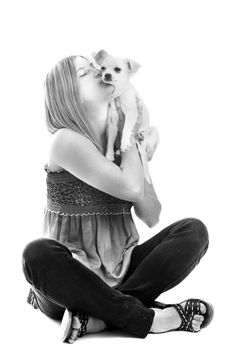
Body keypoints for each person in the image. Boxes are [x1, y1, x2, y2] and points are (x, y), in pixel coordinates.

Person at [22, 54, 214, 344]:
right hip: (69, 281)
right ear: (68, 96)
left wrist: (132, 134)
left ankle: (100, 318)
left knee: (194, 231)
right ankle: (150, 318)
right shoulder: (65, 140)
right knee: (35, 254)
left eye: (96, 67)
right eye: (86, 73)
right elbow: (131, 188)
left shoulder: (116, 141)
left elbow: (150, 212)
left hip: (121, 271)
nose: (100, 73)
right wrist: (133, 135)